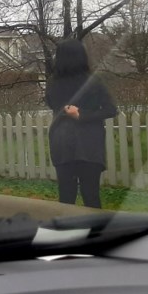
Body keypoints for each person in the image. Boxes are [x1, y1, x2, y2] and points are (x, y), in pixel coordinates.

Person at [45, 39, 117, 208]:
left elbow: (52, 104)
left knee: (66, 197)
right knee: (91, 196)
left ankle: (65, 232)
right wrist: (83, 115)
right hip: (89, 143)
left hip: (61, 142)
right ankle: (95, 232)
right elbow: (110, 110)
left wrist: (77, 113)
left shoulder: (53, 83)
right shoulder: (93, 81)